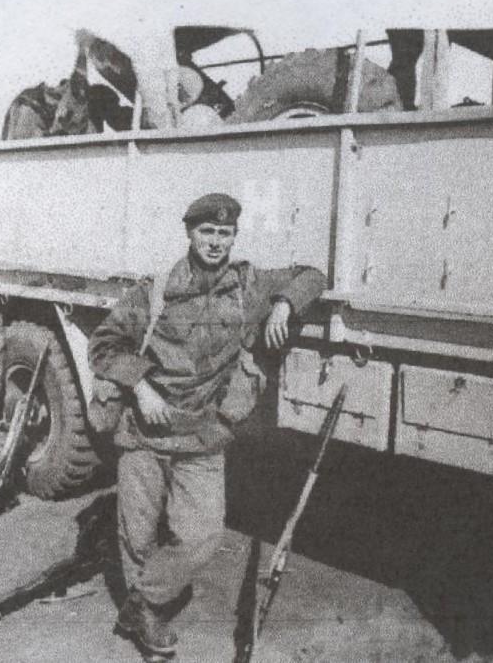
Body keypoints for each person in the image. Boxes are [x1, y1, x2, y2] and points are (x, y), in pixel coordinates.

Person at [87, 193, 326, 658]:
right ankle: (149, 617)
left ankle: (141, 602)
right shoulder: (154, 293)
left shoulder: (249, 286)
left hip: (201, 436)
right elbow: (102, 347)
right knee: (136, 536)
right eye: (207, 232)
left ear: (234, 237)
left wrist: (283, 306)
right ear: (190, 233)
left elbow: (313, 275)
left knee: (202, 537)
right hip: (144, 434)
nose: (216, 242)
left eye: (225, 233)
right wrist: (139, 386)